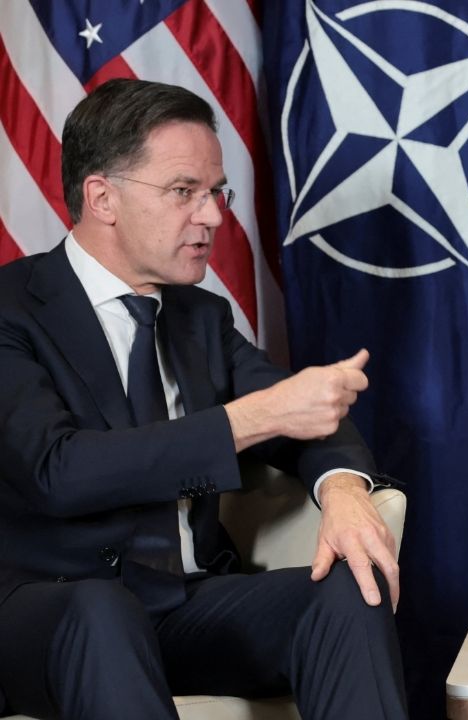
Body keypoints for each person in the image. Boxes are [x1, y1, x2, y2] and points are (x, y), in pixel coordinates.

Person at [0, 79, 407, 719]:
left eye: (217, 192)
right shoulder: (13, 309)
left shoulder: (202, 319)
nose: (214, 216)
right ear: (102, 197)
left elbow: (304, 413)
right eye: (184, 191)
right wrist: (246, 420)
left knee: (351, 589)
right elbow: (59, 471)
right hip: (51, 613)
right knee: (102, 610)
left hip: (187, 603)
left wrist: (344, 491)